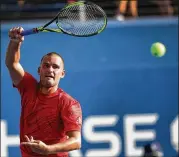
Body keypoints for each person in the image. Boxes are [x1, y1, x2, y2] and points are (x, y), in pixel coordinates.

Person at [5, 27, 82, 157]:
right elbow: (12, 64)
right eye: (46, 65)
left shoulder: (69, 103)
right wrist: (15, 41)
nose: (50, 70)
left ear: (62, 74)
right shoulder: (28, 87)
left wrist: (47, 150)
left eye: (55, 67)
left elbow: (76, 141)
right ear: (39, 70)